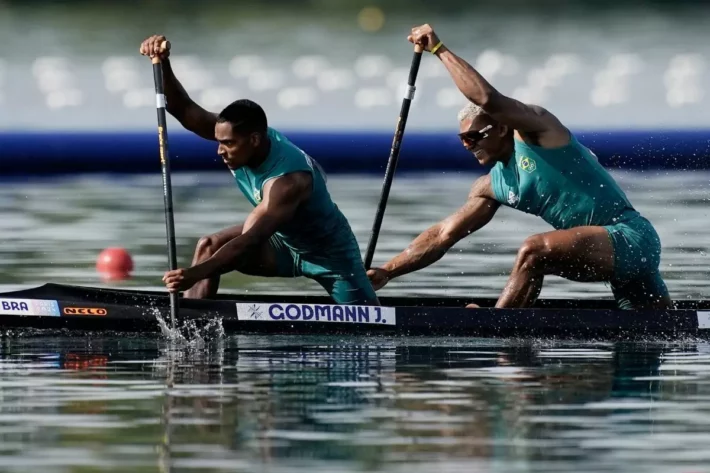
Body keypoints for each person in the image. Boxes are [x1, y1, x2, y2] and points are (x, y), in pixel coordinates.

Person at [366, 24, 672, 310]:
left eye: (474, 136)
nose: (468, 146)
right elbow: (442, 235)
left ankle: (499, 328)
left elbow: (488, 98)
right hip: (601, 252)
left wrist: (439, 49)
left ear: (501, 127)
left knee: (533, 250)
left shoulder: (539, 132)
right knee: (663, 335)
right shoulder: (490, 186)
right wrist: (387, 271)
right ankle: (515, 333)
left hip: (631, 238)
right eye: (463, 140)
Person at [139, 35, 379, 306]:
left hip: (330, 255)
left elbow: (252, 239)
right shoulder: (241, 137)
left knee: (368, 323)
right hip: (283, 243)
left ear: (254, 139)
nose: (220, 150)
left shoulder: (289, 181)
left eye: (228, 144)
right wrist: (163, 64)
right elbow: (183, 109)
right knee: (209, 245)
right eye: (219, 142)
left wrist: (193, 274)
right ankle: (191, 318)